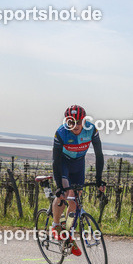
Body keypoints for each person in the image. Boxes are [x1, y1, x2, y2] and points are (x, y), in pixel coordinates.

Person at [51, 105, 105, 254]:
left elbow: (99, 155)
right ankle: (55, 225)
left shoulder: (91, 130)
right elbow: (56, 161)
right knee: (65, 195)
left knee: (75, 202)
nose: (75, 125)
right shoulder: (61, 133)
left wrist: (99, 179)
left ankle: (67, 235)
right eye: (71, 122)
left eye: (78, 122)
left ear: (84, 120)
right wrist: (59, 186)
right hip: (64, 164)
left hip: (79, 164)